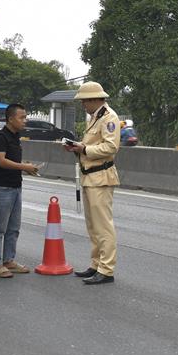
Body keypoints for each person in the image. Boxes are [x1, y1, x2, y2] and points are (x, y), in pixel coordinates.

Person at [64, 82, 122, 285]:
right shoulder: (94, 117)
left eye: (84, 101)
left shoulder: (109, 118)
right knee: (93, 225)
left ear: (94, 99)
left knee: (103, 226)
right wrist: (78, 148)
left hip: (101, 176)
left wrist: (84, 150)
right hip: (90, 176)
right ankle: (96, 264)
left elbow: (111, 147)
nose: (83, 106)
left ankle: (106, 269)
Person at [0, 103, 39, 278]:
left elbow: (12, 162)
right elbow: (1, 161)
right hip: (2, 188)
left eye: (25, 117)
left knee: (14, 228)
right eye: (21, 117)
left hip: (16, 187)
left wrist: (26, 167)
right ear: (10, 119)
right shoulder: (1, 137)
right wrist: (24, 166)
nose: (25, 120)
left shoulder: (16, 137)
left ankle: (8, 260)